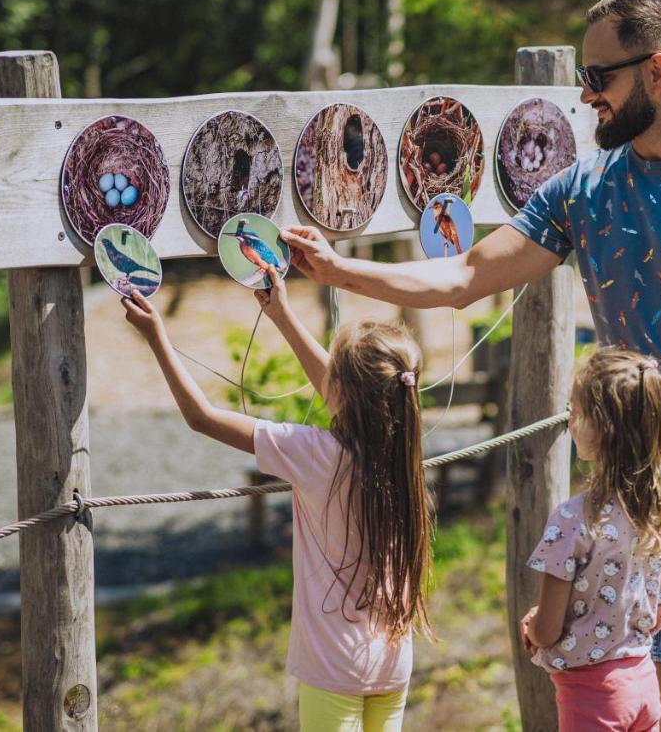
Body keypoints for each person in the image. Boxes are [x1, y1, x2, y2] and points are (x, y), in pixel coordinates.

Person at [282, 0, 661, 730]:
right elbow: (466, 277)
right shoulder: (584, 188)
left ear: (658, 70)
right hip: (637, 472)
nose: (585, 91)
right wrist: (341, 272)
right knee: (638, 666)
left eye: (600, 75)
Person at [121, 269, 433, 732]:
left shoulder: (315, 455)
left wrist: (156, 336)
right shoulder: (404, 454)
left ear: (342, 392)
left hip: (335, 666)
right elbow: (348, 391)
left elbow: (202, 418)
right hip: (392, 660)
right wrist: (282, 315)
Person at [519, 348, 661, 731]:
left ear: (603, 428)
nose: (571, 421)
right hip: (644, 683)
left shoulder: (572, 519)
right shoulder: (660, 513)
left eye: (576, 411)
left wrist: (531, 628)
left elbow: (547, 630)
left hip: (592, 694)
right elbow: (659, 612)